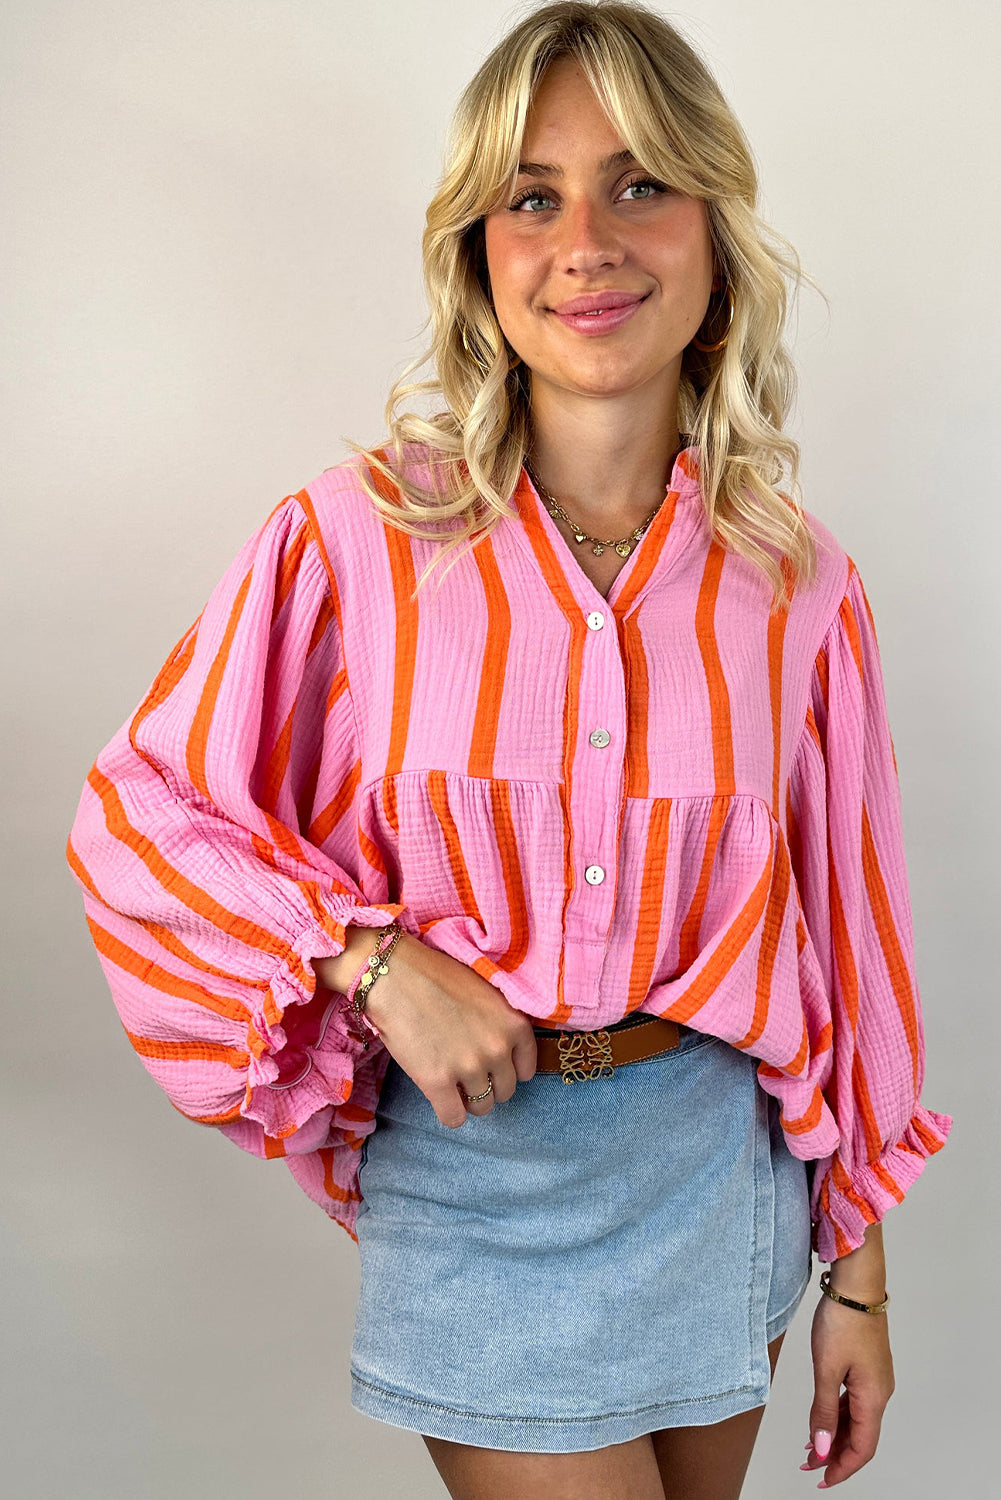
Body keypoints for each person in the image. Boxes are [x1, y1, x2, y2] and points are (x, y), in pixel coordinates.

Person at [65, 3, 953, 1496]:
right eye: (530, 196)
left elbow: (845, 949)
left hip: (720, 1177)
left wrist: (859, 1280)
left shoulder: (798, 585)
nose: (586, 240)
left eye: (639, 183)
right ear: (479, 253)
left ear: (713, 233)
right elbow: (140, 815)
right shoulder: (353, 543)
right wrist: (373, 962)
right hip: (479, 1183)